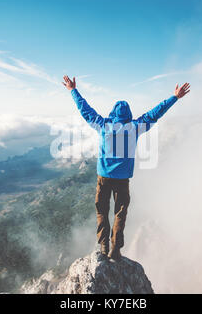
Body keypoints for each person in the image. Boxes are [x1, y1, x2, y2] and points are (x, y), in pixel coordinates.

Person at [62, 75, 190, 260]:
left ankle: (104, 244)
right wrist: (175, 98)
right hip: (123, 179)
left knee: (101, 211)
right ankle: (116, 248)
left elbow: (85, 110)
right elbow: (155, 113)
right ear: (128, 113)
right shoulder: (135, 127)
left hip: (103, 177)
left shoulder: (103, 125)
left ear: (113, 112)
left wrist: (73, 90)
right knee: (120, 214)